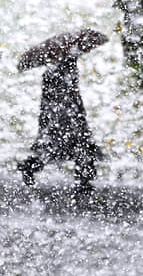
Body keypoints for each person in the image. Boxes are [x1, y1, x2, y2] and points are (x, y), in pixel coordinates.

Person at [17, 56, 103, 190]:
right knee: (76, 146)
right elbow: (69, 95)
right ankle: (83, 180)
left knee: (58, 147)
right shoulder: (65, 70)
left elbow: (51, 100)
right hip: (66, 118)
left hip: (60, 118)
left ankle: (83, 180)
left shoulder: (52, 72)